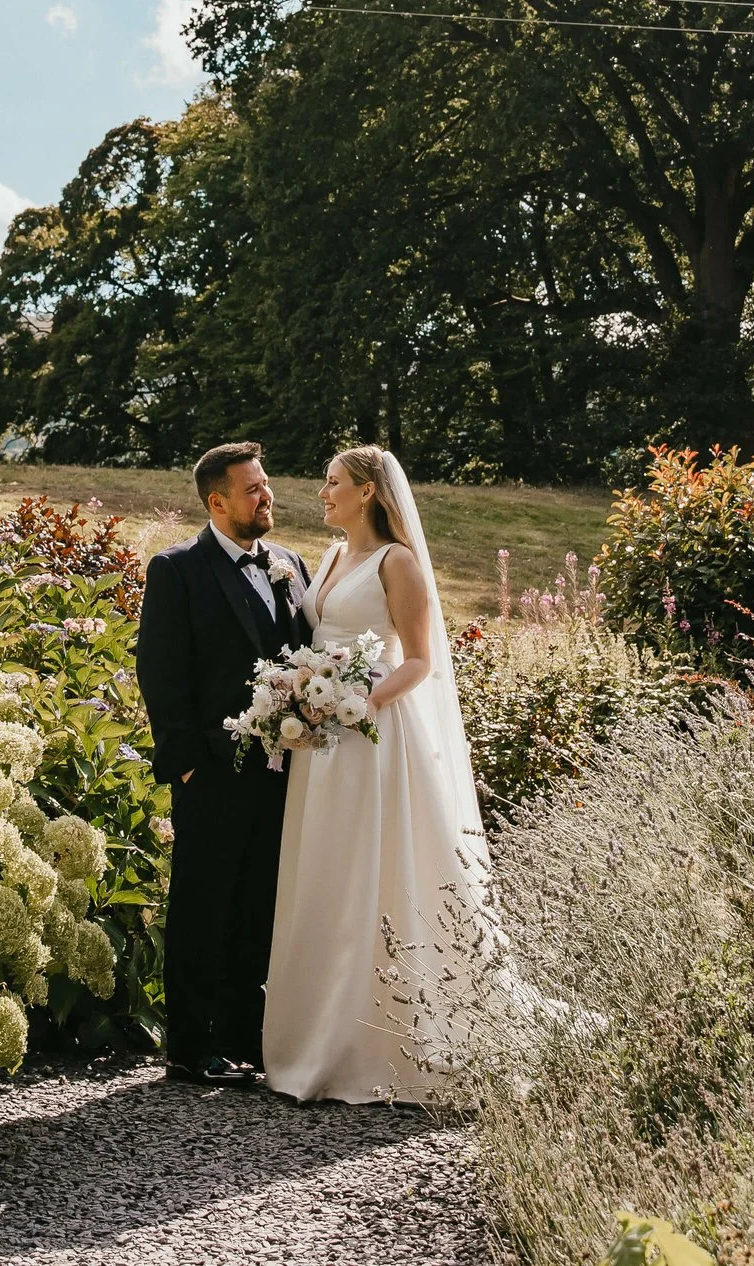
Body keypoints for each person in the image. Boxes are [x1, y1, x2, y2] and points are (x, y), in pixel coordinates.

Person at [263, 444, 492, 1103]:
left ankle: (373, 1040)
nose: (323, 492)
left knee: (376, 871)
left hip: (374, 736)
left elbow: (419, 660)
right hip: (323, 744)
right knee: (327, 872)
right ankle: (317, 1031)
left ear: (367, 491)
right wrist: (301, 690)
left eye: (332, 482)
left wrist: (362, 700)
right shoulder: (333, 557)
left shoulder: (399, 562)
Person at [135, 441, 312, 1087]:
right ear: (217, 502)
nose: (267, 498)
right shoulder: (178, 569)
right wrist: (184, 765)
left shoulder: (292, 564)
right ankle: (190, 1045)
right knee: (203, 906)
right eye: (253, 490)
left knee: (259, 905)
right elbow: (159, 672)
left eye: (266, 485)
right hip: (210, 771)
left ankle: (247, 1037)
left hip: (282, 771)